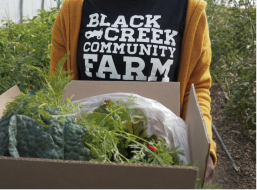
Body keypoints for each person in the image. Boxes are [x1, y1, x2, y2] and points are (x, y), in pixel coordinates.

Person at [50, 0, 216, 183]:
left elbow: (196, 87)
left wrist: (204, 146)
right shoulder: (75, 8)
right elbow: (60, 86)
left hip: (158, 155)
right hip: (89, 152)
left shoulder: (188, 8)